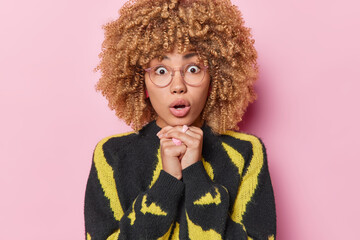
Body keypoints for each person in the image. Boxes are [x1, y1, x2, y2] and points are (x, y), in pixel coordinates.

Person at [84, 0, 276, 239]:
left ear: (215, 77)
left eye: (193, 69)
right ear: (140, 81)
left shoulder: (246, 153)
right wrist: (166, 184)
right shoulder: (112, 156)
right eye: (161, 71)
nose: (178, 86)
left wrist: (196, 174)